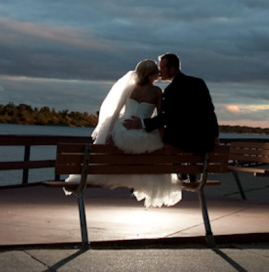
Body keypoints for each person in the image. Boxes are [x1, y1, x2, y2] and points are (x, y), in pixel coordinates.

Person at [65, 59, 183, 208]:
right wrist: (164, 140)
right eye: (156, 72)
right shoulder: (157, 92)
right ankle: (140, 184)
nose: (159, 74)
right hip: (143, 134)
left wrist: (109, 133)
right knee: (154, 150)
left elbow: (115, 112)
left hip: (122, 132)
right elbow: (160, 118)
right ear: (150, 75)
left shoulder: (130, 88)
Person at [123, 53, 220, 156]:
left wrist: (142, 123)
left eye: (162, 68)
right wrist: (215, 136)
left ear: (172, 69)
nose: (160, 71)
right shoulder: (198, 83)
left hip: (183, 144)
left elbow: (168, 117)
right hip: (205, 144)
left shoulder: (171, 90)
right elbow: (210, 112)